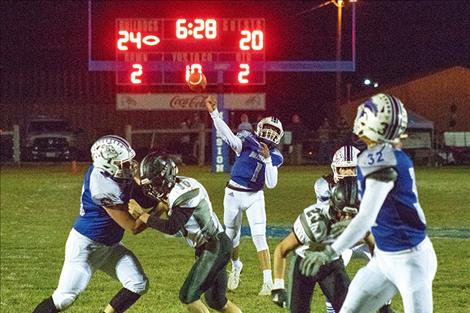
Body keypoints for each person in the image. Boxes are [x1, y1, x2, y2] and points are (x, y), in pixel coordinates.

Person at [300, 93, 437, 313]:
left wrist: (328, 252)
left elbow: (366, 218)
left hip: (411, 260)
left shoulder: (381, 159)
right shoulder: (376, 155)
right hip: (384, 257)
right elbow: (382, 211)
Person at [32, 135, 154, 313]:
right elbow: (132, 227)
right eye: (124, 163)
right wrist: (158, 211)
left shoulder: (114, 173)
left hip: (110, 246)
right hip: (86, 248)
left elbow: (143, 196)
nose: (129, 166)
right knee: (63, 299)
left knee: (138, 284)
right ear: (108, 164)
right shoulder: (102, 185)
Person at [132, 153, 242, 313]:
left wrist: (142, 215)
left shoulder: (183, 193)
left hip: (214, 247)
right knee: (218, 302)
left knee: (188, 296)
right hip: (213, 246)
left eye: (156, 184)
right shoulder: (180, 184)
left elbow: (172, 227)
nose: (153, 189)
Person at [205, 95, 284, 296]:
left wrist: (267, 160)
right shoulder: (247, 140)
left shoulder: (276, 156)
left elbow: (272, 184)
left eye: (274, 132)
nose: (269, 133)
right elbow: (229, 137)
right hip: (232, 193)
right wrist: (214, 114)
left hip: (255, 196)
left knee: (260, 236)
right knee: (231, 236)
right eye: (267, 129)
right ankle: (236, 265)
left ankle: (268, 281)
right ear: (259, 128)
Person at [314, 145, 395, 313]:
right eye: (343, 168)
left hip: (368, 237)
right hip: (341, 239)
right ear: (335, 168)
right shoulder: (324, 186)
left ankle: (384, 305)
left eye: (352, 169)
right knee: (331, 273)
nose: (348, 173)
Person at [271, 178, 360, 313]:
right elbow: (282, 249)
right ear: (334, 208)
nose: (347, 219)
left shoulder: (361, 222)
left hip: (331, 264)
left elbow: (374, 247)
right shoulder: (315, 221)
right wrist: (278, 286)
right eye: (343, 213)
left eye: (352, 214)